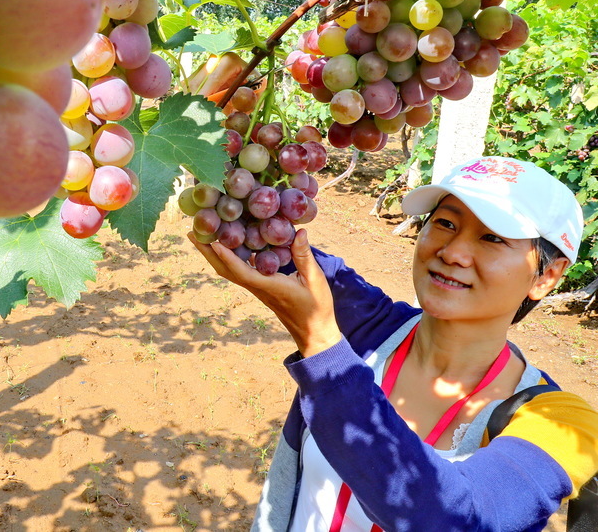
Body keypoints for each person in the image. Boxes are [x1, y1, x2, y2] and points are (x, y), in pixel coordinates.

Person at [189, 156, 598, 532]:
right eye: (445, 224)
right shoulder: (377, 326)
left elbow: (455, 519)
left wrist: (322, 348)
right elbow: (274, 240)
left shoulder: (562, 424)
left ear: (547, 276)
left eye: (492, 239)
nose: (452, 252)